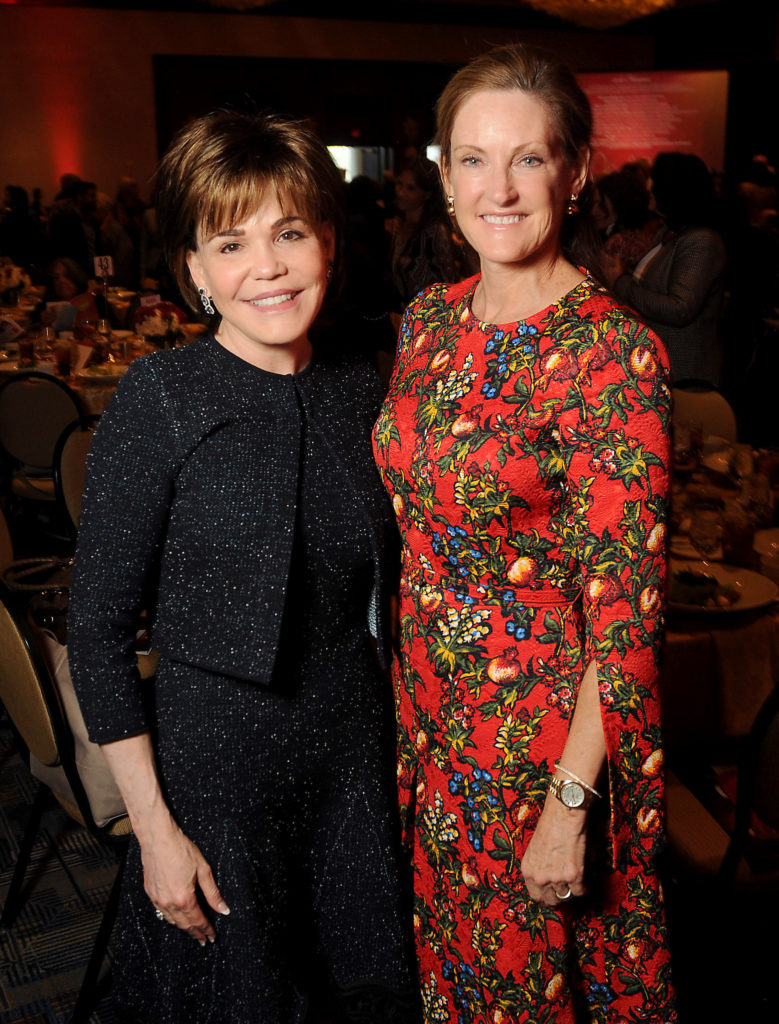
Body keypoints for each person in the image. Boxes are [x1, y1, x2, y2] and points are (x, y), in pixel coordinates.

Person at [68, 108, 419, 1024]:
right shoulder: (160, 398)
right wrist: (154, 831)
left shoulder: (366, 386)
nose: (266, 266)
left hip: (352, 759)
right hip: (215, 772)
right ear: (193, 269)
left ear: (327, 244)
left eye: (289, 233)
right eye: (230, 244)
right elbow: (97, 634)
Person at [372, 43, 676, 1023]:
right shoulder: (428, 321)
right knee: (453, 978)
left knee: (523, 988)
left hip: (537, 743)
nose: (496, 189)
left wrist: (569, 804)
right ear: (443, 173)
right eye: (472, 159)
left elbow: (626, 615)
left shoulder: (612, 355)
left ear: (574, 172)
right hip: (429, 715)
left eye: (527, 159)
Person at [606, 151, 727, 387]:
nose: (648, 188)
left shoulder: (701, 241)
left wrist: (620, 281)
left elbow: (679, 309)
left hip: (686, 375)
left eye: (655, 181)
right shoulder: (669, 233)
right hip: (661, 366)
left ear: (673, 189)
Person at [388, 155, 466, 310]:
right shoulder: (398, 224)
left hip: (428, 315)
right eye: (399, 184)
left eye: (411, 188)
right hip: (403, 313)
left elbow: (448, 282)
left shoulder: (434, 231)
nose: (401, 192)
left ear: (427, 194)